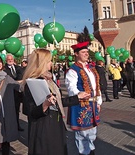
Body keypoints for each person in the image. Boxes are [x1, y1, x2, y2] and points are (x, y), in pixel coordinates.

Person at [22, 48, 90, 155]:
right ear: (42, 63)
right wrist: (45, 104)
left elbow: (57, 101)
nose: (51, 63)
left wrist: (77, 97)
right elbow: (29, 111)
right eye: (49, 61)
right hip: (43, 128)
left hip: (55, 124)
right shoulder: (33, 82)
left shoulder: (49, 79)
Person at [65, 27, 102, 155]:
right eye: (83, 52)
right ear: (76, 54)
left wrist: (98, 101)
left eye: (87, 51)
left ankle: (91, 152)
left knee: (92, 134)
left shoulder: (91, 68)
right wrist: (78, 94)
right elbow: (71, 89)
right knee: (82, 135)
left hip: (92, 105)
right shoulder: (73, 70)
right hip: (81, 106)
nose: (87, 54)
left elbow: (96, 86)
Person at [4, 53, 24, 131]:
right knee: (9, 111)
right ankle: (9, 126)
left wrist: (15, 82)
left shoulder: (18, 68)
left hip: (17, 93)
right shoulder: (4, 69)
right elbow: (8, 79)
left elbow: (21, 76)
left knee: (16, 110)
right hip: (8, 93)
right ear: (6, 60)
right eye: (8, 59)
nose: (10, 61)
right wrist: (17, 82)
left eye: (11, 59)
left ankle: (17, 125)